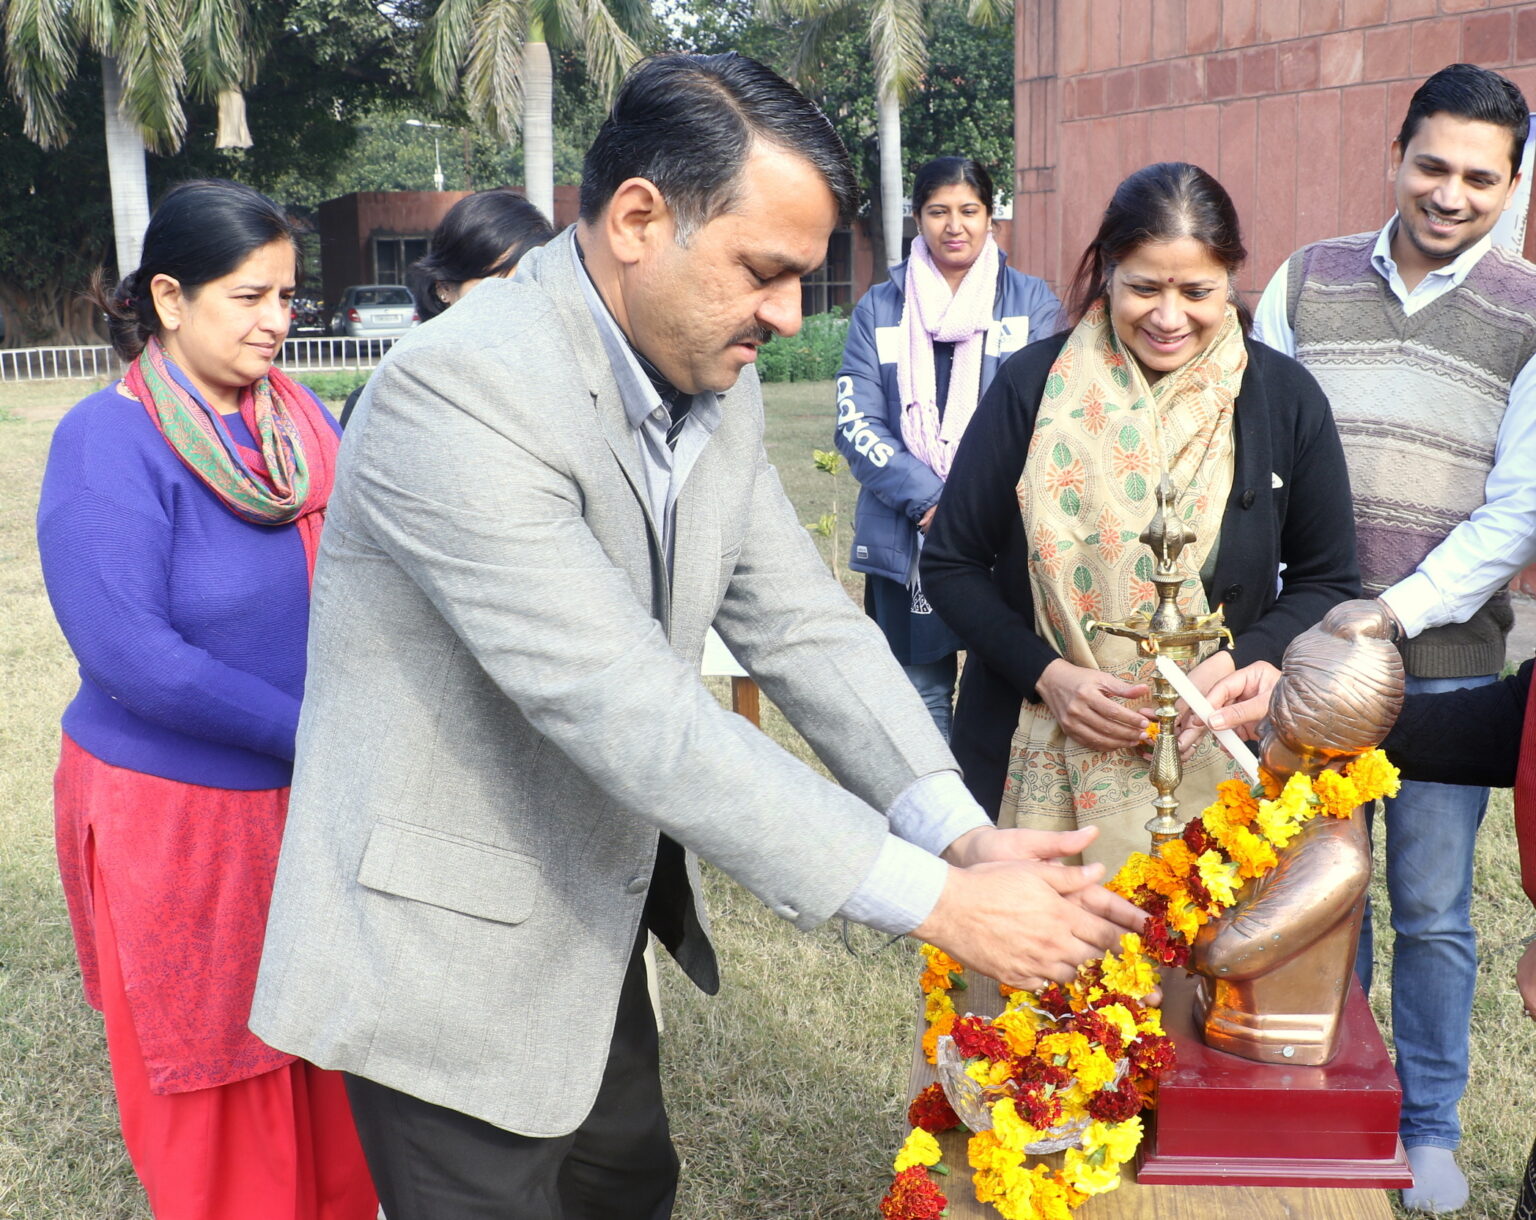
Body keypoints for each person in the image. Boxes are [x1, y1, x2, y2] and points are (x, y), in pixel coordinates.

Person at [246, 52, 1146, 1220]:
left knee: (628, 1187)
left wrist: (959, 833)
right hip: (445, 960)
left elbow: (802, 620)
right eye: (764, 273)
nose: (787, 315)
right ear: (638, 218)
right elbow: (624, 702)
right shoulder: (454, 392)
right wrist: (934, 899)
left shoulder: (704, 368)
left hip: (586, 917)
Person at [35, 180, 376, 1220]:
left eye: (287, 293)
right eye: (250, 295)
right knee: (221, 1084)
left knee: (327, 1053)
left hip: (309, 796)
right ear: (171, 298)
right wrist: (318, 733)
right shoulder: (110, 440)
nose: (279, 318)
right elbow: (135, 655)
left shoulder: (301, 417)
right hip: (180, 817)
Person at [1250, 63, 1536, 1213]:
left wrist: (1390, 610)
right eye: (1433, 165)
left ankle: (1424, 1125)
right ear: (1395, 156)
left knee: (1428, 907)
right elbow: (1247, 439)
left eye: (1481, 176)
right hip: (1301, 666)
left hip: (1445, 672)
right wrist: (1294, 621)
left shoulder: (1528, 313)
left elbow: (1521, 505)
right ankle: (1335, 1110)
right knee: (1319, 898)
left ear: (1514, 187)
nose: (1451, 193)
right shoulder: (1305, 279)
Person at [921, 161, 1359, 871]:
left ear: (1232, 279)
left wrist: (1243, 659)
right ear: (1107, 273)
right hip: (1025, 743)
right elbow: (950, 564)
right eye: (1144, 287)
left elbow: (1329, 579)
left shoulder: (1284, 398)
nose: (1167, 316)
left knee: (1201, 966)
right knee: (1041, 972)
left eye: (1196, 291)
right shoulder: (1032, 387)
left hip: (1221, 755)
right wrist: (1048, 675)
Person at [835, 156, 1061, 738]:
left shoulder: (1030, 303)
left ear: (991, 220)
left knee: (1002, 689)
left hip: (1001, 534)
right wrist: (932, 504)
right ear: (918, 218)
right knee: (921, 694)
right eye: (938, 211)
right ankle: (940, 828)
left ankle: (987, 819)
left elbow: (1049, 418)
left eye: (969, 210)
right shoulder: (881, 305)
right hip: (906, 534)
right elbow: (857, 423)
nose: (953, 225)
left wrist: (967, 510)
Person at [339, 187, 555, 426]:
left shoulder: (568, 397)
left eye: (528, 285)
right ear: (444, 288)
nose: (510, 304)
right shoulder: (386, 404)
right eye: (494, 285)